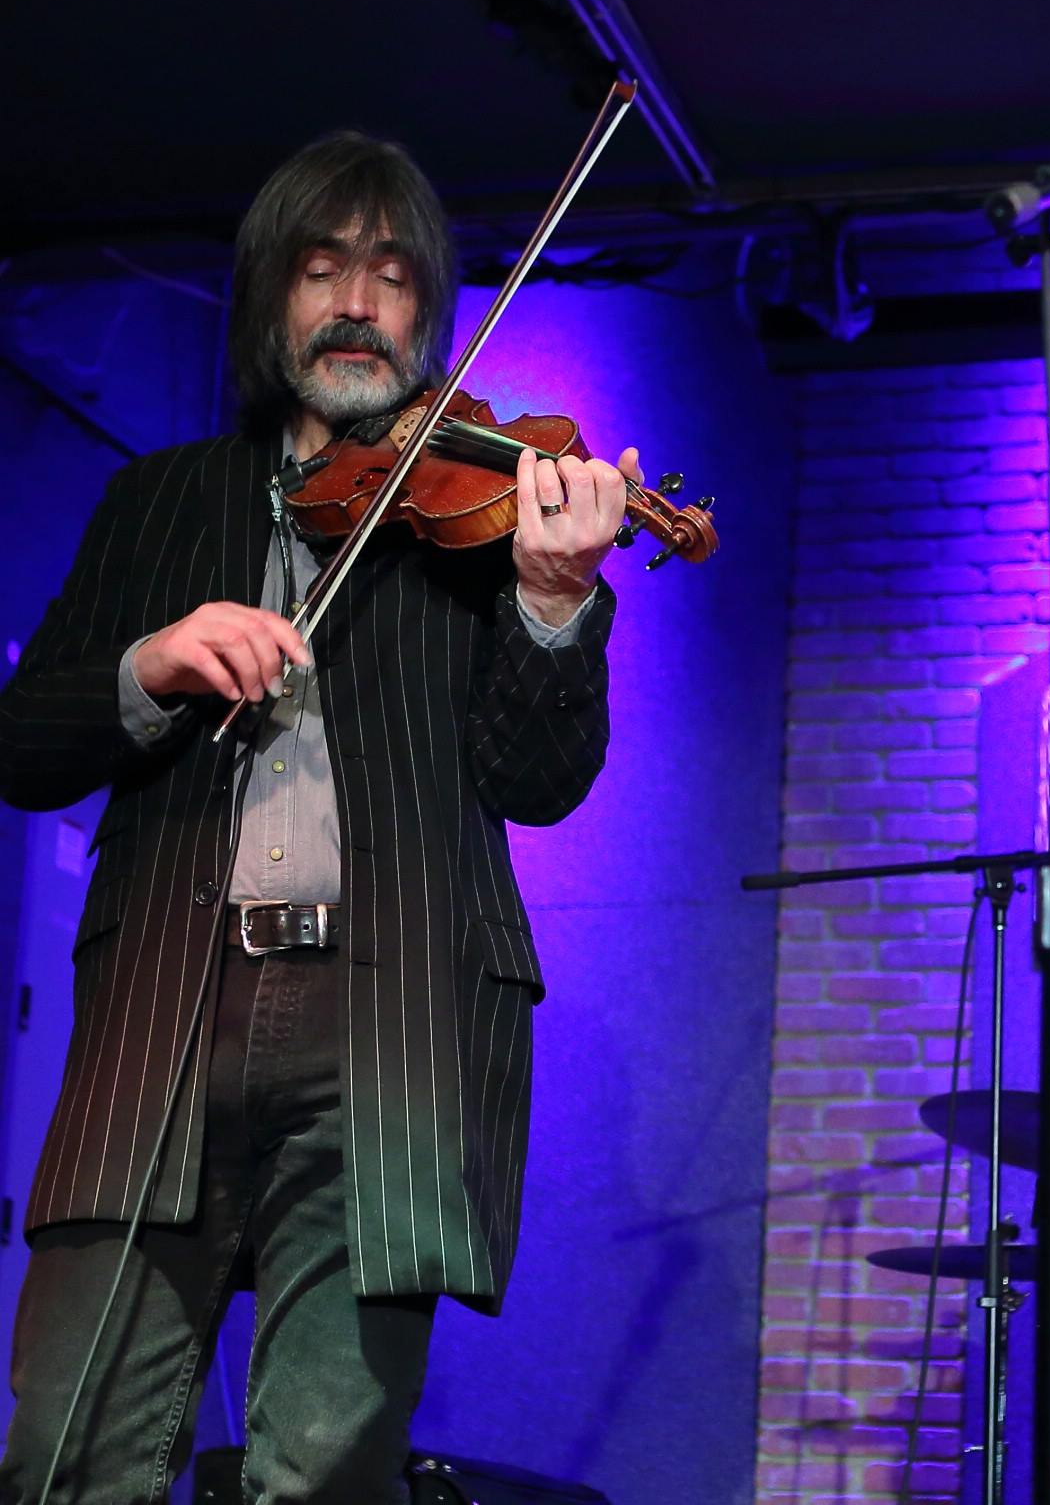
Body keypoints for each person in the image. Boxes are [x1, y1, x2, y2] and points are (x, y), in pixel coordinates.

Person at [0, 132, 636, 1502]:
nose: (359, 301)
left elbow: (538, 782)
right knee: (66, 1457)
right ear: (270, 296)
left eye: (394, 276)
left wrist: (551, 601)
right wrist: (151, 664)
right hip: (166, 1004)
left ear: (428, 312)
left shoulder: (484, 514)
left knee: (325, 1475)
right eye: (324, 266)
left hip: (387, 1033)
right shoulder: (156, 499)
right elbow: (22, 744)